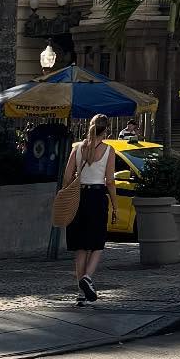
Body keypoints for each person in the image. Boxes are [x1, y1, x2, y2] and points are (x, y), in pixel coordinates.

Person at [62, 115, 118, 303]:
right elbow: (110, 181)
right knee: (97, 242)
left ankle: (80, 293)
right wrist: (116, 206)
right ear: (106, 130)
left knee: (80, 246)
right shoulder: (109, 150)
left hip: (79, 196)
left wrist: (67, 195)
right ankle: (88, 277)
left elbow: (67, 176)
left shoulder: (78, 148)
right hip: (96, 196)